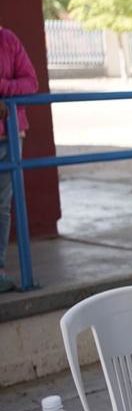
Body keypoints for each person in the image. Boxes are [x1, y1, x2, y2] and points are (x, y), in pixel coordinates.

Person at [0, 25, 38, 293]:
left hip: (9, 136)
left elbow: (30, 83)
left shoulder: (8, 39)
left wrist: (2, 89)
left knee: (2, 204)